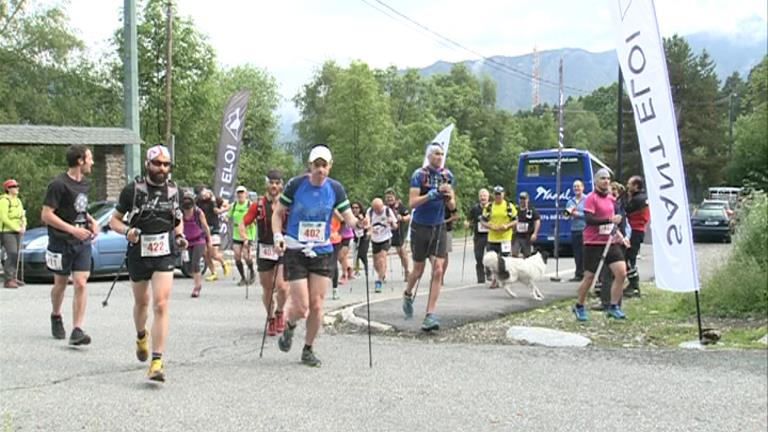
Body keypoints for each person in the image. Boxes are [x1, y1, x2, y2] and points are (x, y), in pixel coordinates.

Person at [272, 145, 364, 367]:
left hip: (322, 250)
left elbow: (348, 217)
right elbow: (278, 212)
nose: (320, 170)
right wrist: (277, 236)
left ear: (330, 167)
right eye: (316, 165)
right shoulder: (296, 185)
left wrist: (359, 223)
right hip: (295, 248)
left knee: (317, 305)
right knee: (301, 306)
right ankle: (290, 325)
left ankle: (308, 348)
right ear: (310, 166)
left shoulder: (335, 188)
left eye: (324, 166)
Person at [110, 145, 186, 382]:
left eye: (166, 165)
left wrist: (181, 236)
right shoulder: (132, 190)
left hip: (164, 252)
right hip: (139, 253)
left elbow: (177, 220)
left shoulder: (174, 191)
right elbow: (114, 221)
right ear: (147, 164)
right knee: (142, 303)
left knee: (161, 304)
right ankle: (141, 335)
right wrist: (128, 231)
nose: (162, 169)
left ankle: (157, 361)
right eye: (158, 164)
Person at [41, 145, 99, 346]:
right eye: (90, 158)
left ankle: (77, 329)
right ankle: (56, 315)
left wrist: (92, 221)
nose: (92, 162)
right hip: (61, 241)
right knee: (60, 284)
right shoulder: (58, 184)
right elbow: (46, 215)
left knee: (81, 282)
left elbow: (79, 209)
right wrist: (72, 229)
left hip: (82, 242)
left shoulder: (85, 184)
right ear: (80, 161)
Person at [401, 143, 456, 331]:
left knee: (438, 269)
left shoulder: (447, 176)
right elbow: (413, 203)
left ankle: (430, 314)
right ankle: (408, 294)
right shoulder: (420, 175)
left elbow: (452, 206)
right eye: (436, 154)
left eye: (442, 154)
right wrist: (431, 195)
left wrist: (448, 198)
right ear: (429, 156)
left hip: (438, 225)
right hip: (420, 227)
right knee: (418, 270)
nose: (440, 157)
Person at [572, 168, 630, 322]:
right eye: (603, 178)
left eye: (608, 179)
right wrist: (609, 221)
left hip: (610, 242)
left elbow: (615, 221)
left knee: (621, 273)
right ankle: (579, 305)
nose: (606, 181)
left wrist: (621, 236)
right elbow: (589, 219)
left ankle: (613, 306)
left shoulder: (611, 199)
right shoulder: (591, 198)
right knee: (589, 277)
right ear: (596, 181)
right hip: (593, 242)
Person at [241, 169, 290, 337]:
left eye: (277, 183)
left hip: (282, 248)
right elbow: (244, 223)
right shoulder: (259, 205)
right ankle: (270, 318)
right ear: (267, 184)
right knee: (267, 287)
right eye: (271, 183)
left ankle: (280, 312)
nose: (274, 186)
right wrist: (245, 239)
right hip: (265, 249)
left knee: (282, 287)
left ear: (282, 185)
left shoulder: (287, 204)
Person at [480, 186, 516, 289]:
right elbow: (483, 220)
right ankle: (495, 280)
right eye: (496, 194)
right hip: (493, 237)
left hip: (505, 237)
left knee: (505, 260)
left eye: (499, 194)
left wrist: (507, 226)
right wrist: (490, 226)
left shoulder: (509, 206)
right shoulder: (489, 207)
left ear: (503, 195)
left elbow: (515, 220)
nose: (498, 197)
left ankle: (506, 280)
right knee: (492, 261)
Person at [181, 193, 212, 298]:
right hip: (187, 241)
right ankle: (197, 283)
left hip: (199, 240)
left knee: (195, 262)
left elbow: (205, 226)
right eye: (186, 208)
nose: (187, 211)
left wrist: (209, 241)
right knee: (188, 264)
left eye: (189, 208)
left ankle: (197, 287)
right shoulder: (180, 213)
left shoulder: (198, 212)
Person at [365, 197, 398, 293]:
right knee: (376, 263)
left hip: (386, 238)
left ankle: (378, 282)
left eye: (379, 209)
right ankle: (382, 274)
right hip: (375, 239)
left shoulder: (388, 211)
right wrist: (369, 230)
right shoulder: (370, 212)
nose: (378, 211)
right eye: (376, 209)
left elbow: (396, 226)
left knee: (382, 258)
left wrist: (391, 222)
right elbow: (367, 224)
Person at [196, 189, 230, 281]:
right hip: (203, 230)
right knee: (205, 253)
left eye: (205, 193)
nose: (203, 195)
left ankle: (224, 263)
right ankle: (213, 273)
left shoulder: (213, 201)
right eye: (202, 193)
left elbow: (221, 207)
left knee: (213, 254)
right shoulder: (198, 201)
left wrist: (225, 209)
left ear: (210, 194)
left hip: (213, 229)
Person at [624, 175, 650, 297]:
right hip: (638, 231)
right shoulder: (643, 198)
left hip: (634, 230)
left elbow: (625, 210)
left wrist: (627, 197)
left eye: (630, 184)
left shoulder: (637, 199)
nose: (627, 186)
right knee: (630, 257)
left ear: (636, 186)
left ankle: (634, 286)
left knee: (629, 257)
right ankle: (632, 284)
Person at [1, 179, 27, 289]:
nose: (17, 188)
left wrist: (24, 225)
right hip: (7, 231)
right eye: (14, 186)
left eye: (17, 186)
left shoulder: (18, 201)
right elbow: (4, 218)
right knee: (11, 253)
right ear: (8, 189)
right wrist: (16, 228)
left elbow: (22, 215)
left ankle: (13, 277)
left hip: (18, 230)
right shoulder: (4, 201)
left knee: (16, 254)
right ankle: (8, 280)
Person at [230, 185, 256, 286]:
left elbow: (255, 217)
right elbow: (228, 215)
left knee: (246, 256)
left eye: (242, 193)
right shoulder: (234, 206)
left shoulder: (250, 205)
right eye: (238, 193)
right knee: (237, 256)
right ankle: (243, 277)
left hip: (248, 234)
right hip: (237, 234)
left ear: (246, 194)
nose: (240, 195)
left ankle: (252, 272)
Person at [384, 188, 411, 281]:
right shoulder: (384, 208)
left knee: (402, 253)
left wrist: (402, 218)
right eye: (387, 198)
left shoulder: (400, 206)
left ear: (394, 197)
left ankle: (407, 271)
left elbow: (408, 216)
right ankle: (382, 274)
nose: (389, 200)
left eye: (391, 197)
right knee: (383, 254)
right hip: (386, 233)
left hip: (398, 232)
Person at [465, 188, 490, 284]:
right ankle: (480, 278)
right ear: (479, 197)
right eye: (481, 196)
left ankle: (490, 275)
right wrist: (467, 223)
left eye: (485, 196)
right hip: (478, 236)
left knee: (490, 256)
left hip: (490, 235)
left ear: (488, 197)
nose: (483, 198)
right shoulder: (475, 208)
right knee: (478, 256)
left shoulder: (492, 208)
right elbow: (469, 219)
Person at [565, 180, 586, 282]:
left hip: (585, 229)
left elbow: (589, 214)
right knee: (577, 252)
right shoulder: (570, 201)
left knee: (584, 252)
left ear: (583, 188)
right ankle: (578, 273)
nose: (576, 189)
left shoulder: (587, 200)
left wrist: (578, 214)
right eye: (574, 187)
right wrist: (567, 214)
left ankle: (586, 273)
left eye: (578, 186)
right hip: (574, 229)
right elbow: (566, 214)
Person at [512, 191, 541, 258]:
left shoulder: (531, 210)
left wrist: (535, 233)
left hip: (527, 237)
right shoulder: (516, 210)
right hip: (517, 236)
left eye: (524, 199)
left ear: (528, 199)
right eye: (521, 199)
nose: (522, 201)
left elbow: (537, 221)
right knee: (514, 254)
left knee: (527, 256)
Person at [441, 201, 459, 285]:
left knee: (445, 253)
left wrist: (445, 221)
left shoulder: (449, 203)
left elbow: (456, 216)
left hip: (446, 229)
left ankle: (441, 276)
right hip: (434, 229)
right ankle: (436, 274)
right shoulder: (434, 201)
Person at [350, 201, 370, 276]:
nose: (354, 210)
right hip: (355, 237)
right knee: (356, 254)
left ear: (360, 208)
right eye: (353, 208)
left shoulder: (364, 215)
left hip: (364, 237)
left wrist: (362, 220)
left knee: (362, 252)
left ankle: (366, 266)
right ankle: (356, 269)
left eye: (356, 208)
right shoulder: (350, 216)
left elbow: (368, 225)